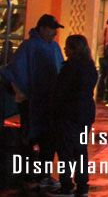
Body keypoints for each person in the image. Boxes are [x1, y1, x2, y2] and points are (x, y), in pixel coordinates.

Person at [1, 13, 65, 190]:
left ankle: (39, 174)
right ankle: (32, 174)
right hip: (34, 101)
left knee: (43, 138)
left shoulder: (49, 47)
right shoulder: (32, 47)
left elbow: (14, 71)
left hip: (44, 101)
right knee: (33, 137)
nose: (54, 33)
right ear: (43, 28)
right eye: (52, 29)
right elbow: (15, 72)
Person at [52, 34, 98, 196]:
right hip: (85, 113)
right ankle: (82, 184)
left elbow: (61, 92)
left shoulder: (70, 68)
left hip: (69, 113)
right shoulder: (90, 67)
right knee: (80, 150)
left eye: (67, 46)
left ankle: (66, 185)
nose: (64, 49)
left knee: (66, 150)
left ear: (73, 49)